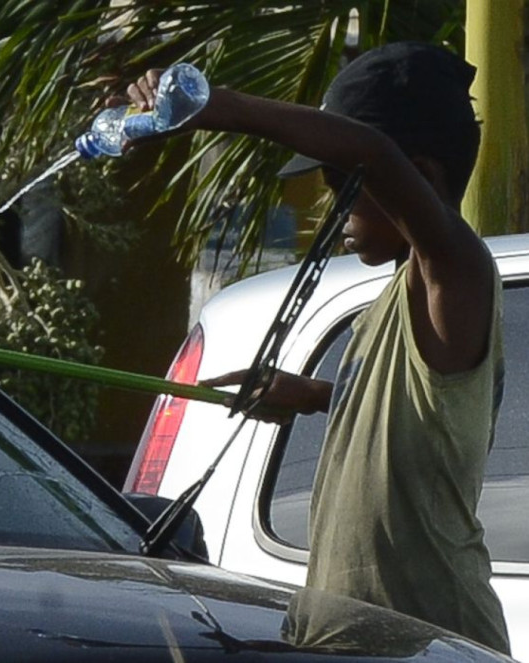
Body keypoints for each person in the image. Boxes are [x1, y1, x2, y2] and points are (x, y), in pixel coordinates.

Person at [115, 42, 510, 653]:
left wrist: (219, 107)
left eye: (342, 184)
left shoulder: (456, 273)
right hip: (351, 639)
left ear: (421, 179)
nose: (335, 208)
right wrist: (317, 395)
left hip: (431, 642)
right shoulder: (392, 303)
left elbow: (374, 153)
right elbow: (420, 417)